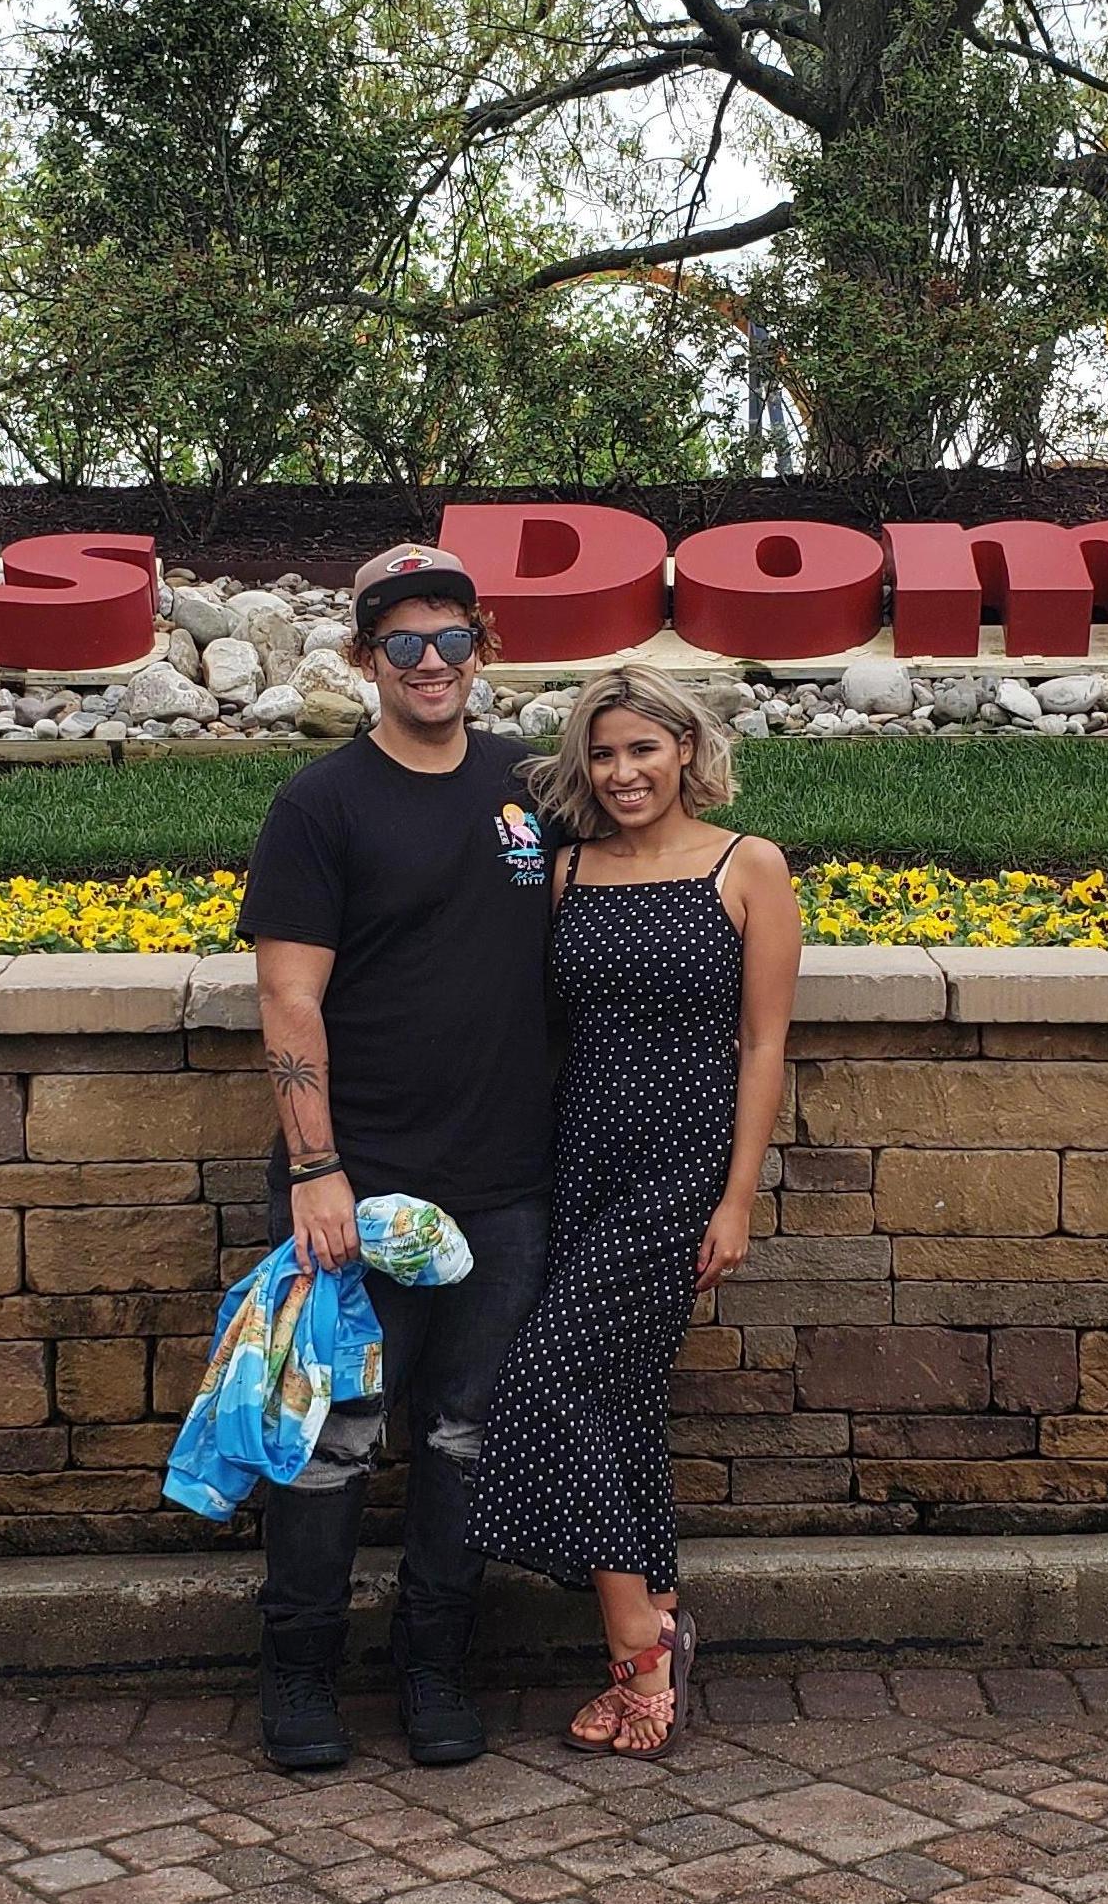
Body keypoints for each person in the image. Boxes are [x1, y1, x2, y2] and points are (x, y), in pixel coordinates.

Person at [237, 544, 554, 1775]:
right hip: (361, 1185)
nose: (433, 663)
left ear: (482, 647)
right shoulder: (321, 805)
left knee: (466, 1436)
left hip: (506, 1184)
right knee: (332, 1440)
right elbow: (288, 999)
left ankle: (435, 1667)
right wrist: (316, 1169)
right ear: (367, 658)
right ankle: (300, 1672)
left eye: (452, 639)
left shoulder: (527, 787)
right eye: (405, 643)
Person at [470, 667, 800, 1756]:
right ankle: (658, 1606)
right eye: (603, 754)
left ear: (685, 750)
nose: (622, 773)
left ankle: (640, 1653)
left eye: (642, 749)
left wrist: (736, 1198)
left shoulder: (746, 865)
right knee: (615, 1400)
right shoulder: (566, 871)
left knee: (548, 1378)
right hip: (577, 1162)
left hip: (680, 1172)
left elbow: (763, 1045)